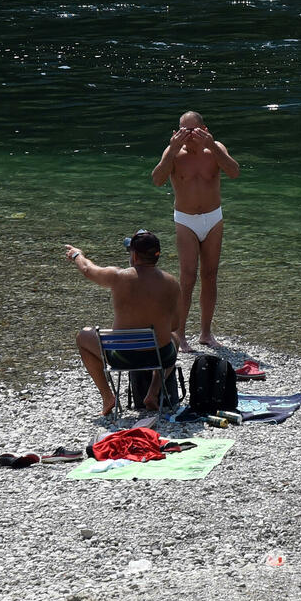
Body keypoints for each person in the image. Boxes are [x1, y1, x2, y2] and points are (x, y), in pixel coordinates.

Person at [65, 231, 181, 416]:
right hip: (159, 357)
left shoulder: (118, 276)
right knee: (174, 338)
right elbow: (174, 325)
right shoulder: (172, 282)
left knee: (82, 336)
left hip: (123, 357)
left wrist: (77, 255)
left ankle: (107, 397)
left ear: (134, 255)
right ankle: (152, 393)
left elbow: (88, 270)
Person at [151, 110, 240, 352]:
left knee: (210, 276)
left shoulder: (215, 149)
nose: (189, 136)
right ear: (176, 132)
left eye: (193, 131)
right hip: (186, 220)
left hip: (213, 218)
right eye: (184, 130)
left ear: (205, 130)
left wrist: (214, 146)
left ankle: (206, 333)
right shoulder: (174, 154)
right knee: (187, 277)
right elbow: (157, 180)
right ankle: (179, 334)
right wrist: (170, 150)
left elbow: (234, 172)